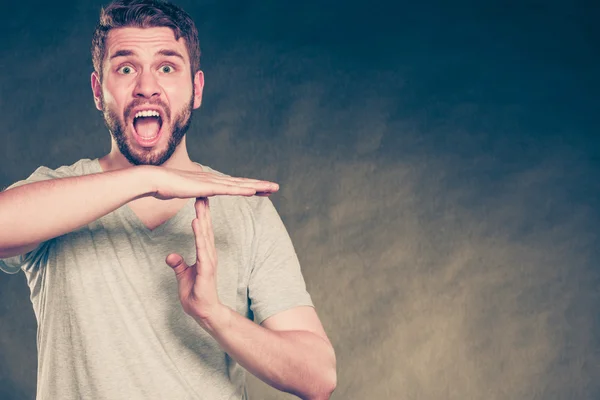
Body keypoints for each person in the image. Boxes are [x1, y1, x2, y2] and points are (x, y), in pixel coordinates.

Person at [0, 0, 336, 399]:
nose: (145, 86)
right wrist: (147, 179)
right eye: (125, 68)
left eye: (166, 67)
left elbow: (318, 377)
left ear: (196, 89)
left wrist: (215, 316)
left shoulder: (247, 210)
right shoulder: (57, 193)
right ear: (97, 90)